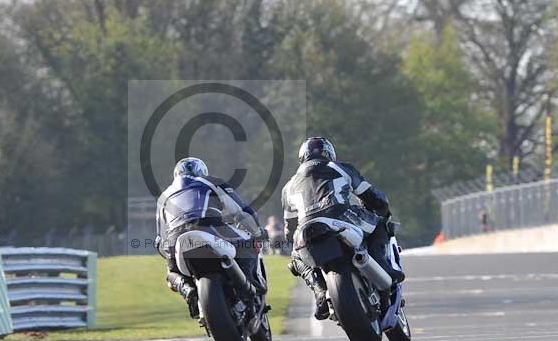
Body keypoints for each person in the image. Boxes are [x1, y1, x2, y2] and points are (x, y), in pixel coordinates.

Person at [281, 137, 403, 320]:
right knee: (379, 224)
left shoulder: (288, 187)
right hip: (340, 217)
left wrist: (295, 237)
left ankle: (320, 291)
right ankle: (383, 265)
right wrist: (383, 210)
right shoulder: (340, 168)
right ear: (329, 153)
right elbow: (372, 197)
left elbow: (289, 230)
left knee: (296, 257)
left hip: (306, 230)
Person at [155, 157, 267, 318]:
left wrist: (170, 258)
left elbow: (160, 241)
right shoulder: (211, 182)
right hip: (208, 226)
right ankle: (250, 287)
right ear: (202, 172)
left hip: (175, 238)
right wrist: (257, 232)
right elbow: (241, 212)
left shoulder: (163, 197)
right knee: (248, 243)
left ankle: (187, 289)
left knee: (171, 274)